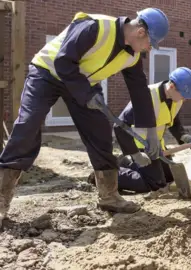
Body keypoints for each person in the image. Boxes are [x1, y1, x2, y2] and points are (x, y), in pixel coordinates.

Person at [0, 7, 170, 226]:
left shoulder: (132, 55)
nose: (149, 49)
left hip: (83, 84)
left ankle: (109, 196)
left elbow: (140, 90)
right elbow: (63, 61)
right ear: (140, 32)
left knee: (100, 132)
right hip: (47, 74)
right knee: (28, 125)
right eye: (150, 44)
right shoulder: (95, 26)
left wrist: (150, 131)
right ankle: (2, 200)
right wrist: (86, 94)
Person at [87, 67, 191, 198]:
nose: (185, 99)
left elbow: (173, 121)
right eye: (183, 94)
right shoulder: (146, 96)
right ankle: (107, 175)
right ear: (171, 86)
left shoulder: (177, 99)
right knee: (153, 184)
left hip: (157, 147)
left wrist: (185, 137)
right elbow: (119, 127)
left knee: (169, 177)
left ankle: (127, 163)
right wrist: (136, 154)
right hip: (140, 147)